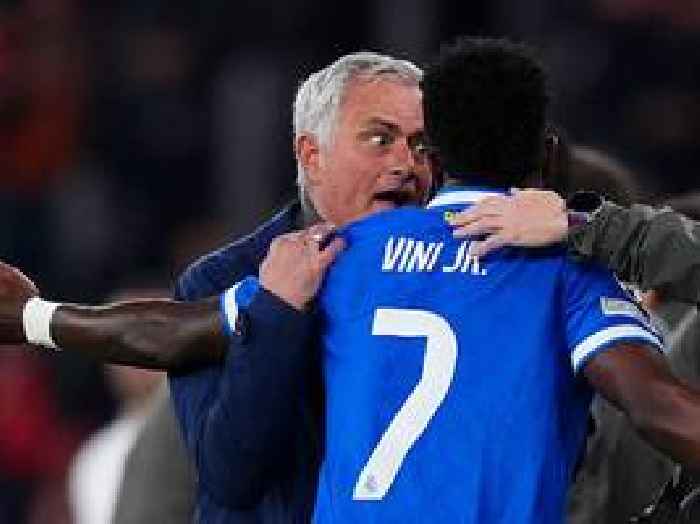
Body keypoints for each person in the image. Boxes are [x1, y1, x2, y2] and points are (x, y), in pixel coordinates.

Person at [0, 51, 430, 522]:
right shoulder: (224, 278)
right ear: (312, 156)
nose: (406, 164)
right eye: (380, 139)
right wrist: (277, 314)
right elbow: (232, 476)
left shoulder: (465, 266)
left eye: (422, 145)